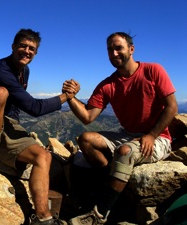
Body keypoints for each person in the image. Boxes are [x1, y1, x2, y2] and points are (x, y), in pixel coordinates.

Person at [0, 28, 79, 225]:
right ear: (13, 46)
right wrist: (66, 96)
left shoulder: (25, 70)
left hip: (4, 122)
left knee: (43, 156)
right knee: (0, 93)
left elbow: (16, 107)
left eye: (31, 48)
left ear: (36, 53)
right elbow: (34, 108)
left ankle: (43, 218)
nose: (27, 51)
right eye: (22, 46)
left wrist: (17, 133)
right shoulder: (1, 69)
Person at [64, 32, 178, 225]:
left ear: (131, 49)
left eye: (119, 48)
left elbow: (172, 107)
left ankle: (99, 214)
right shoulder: (108, 84)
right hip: (128, 135)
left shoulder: (153, 71)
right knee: (85, 139)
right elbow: (88, 117)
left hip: (158, 138)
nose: (114, 53)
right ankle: (109, 181)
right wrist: (70, 97)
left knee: (124, 152)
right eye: (110, 50)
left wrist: (151, 135)